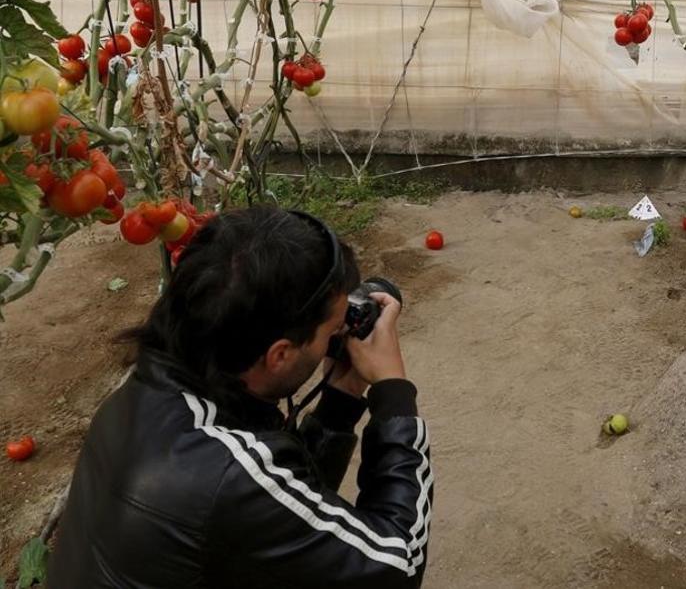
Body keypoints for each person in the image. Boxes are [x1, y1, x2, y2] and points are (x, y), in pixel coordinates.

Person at [47, 206, 433, 588]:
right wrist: (393, 393)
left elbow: (283, 501)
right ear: (279, 355)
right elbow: (398, 562)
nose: (337, 338)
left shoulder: (151, 385)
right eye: (332, 329)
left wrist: (341, 399)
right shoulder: (230, 476)